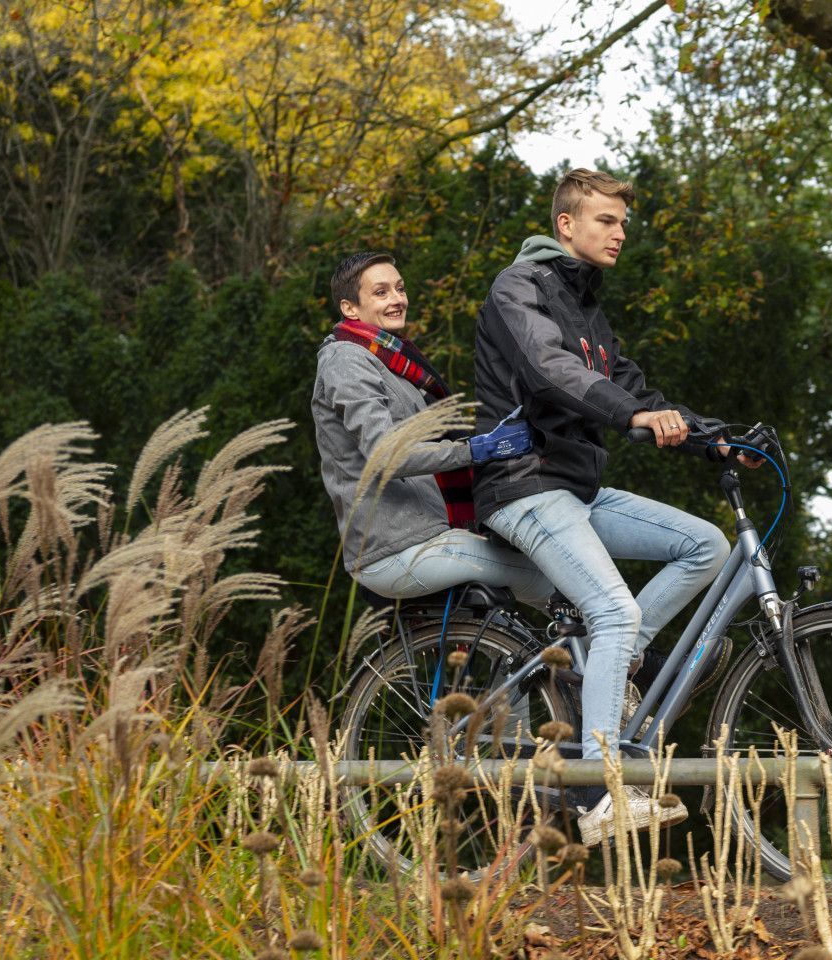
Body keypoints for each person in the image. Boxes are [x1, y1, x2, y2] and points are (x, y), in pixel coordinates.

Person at [473, 168, 752, 844]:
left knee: (705, 546)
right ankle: (599, 798)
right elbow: (552, 371)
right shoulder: (520, 287)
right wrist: (632, 415)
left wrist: (717, 441)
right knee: (614, 609)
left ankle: (615, 667)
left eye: (624, 222)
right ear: (566, 224)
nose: (620, 232)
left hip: (574, 489)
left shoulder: (586, 308)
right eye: (606, 220)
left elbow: (636, 391)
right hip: (523, 484)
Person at [312, 251, 551, 607]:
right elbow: (387, 456)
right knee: (552, 576)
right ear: (350, 308)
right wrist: (476, 449)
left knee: (543, 568)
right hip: (397, 547)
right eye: (381, 292)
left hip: (426, 534)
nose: (397, 300)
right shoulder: (346, 359)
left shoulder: (390, 362)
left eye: (400, 288)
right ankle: (627, 660)